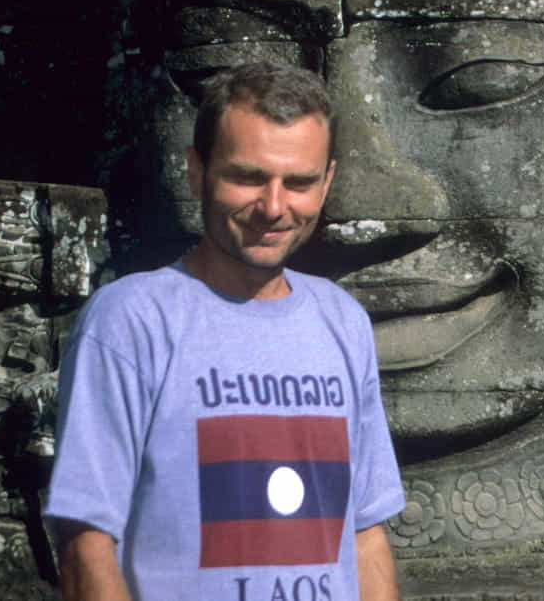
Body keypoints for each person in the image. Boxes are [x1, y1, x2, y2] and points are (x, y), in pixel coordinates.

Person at [45, 62, 406, 601]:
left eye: (300, 183)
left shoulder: (343, 322)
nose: (275, 207)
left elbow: (365, 533)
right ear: (197, 171)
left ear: (327, 182)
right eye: (248, 177)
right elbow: (86, 544)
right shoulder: (131, 320)